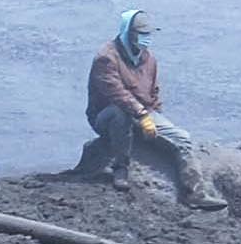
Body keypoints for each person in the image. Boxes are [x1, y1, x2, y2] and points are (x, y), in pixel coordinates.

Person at [74, 11, 194, 202]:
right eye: (141, 34)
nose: (146, 39)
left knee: (182, 138)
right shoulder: (106, 58)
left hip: (143, 113)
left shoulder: (148, 59)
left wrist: (155, 117)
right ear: (128, 33)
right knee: (120, 113)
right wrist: (142, 115)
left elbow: (153, 92)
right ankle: (120, 168)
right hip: (107, 115)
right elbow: (116, 93)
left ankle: (194, 192)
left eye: (148, 34)